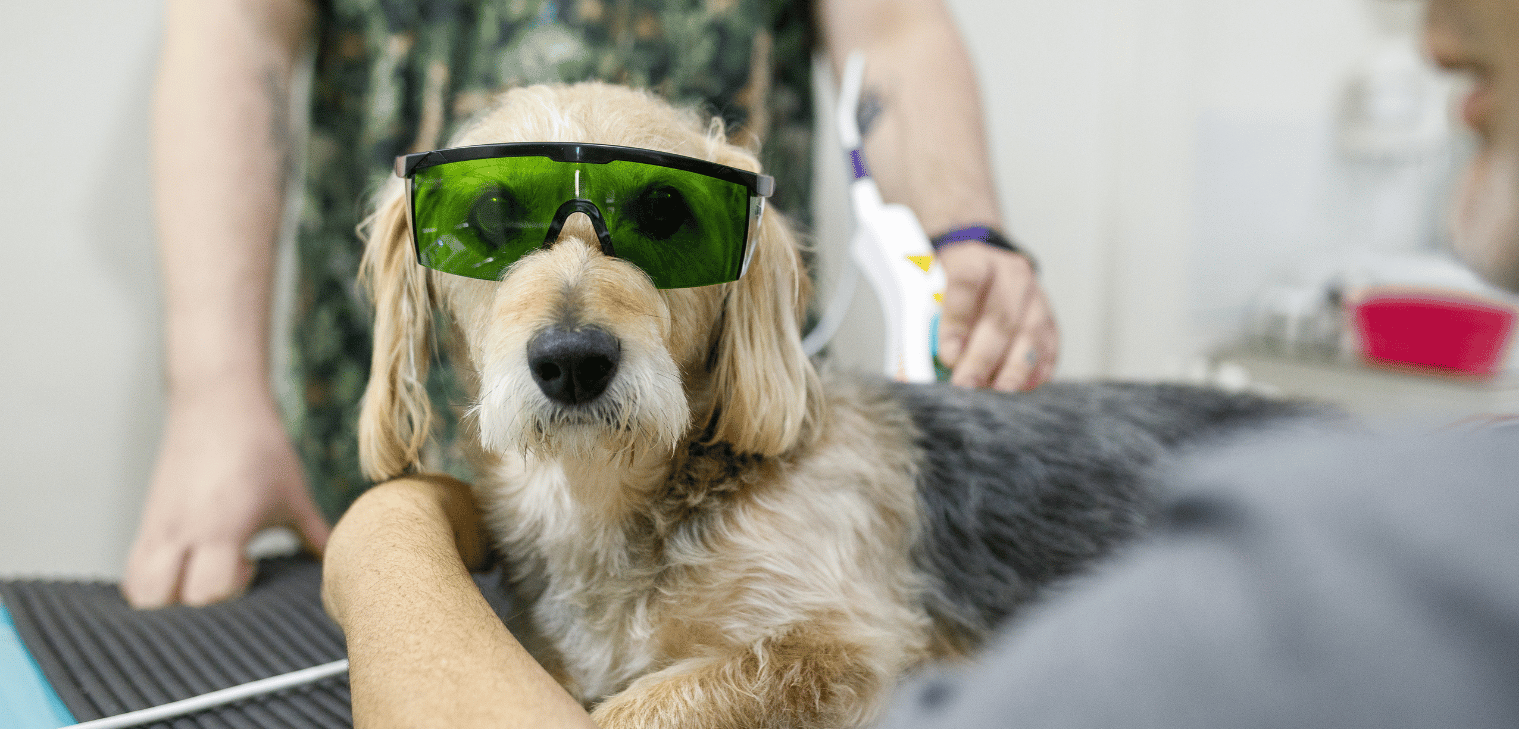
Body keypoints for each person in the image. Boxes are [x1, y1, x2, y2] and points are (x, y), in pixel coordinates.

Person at [319, 0, 1519, 729]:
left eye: (663, 225)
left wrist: (403, 560)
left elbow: (837, 669)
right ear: (422, 294)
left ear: (738, 298)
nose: (575, 314)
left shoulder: (814, 479)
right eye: (493, 225)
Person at [123, 0, 1058, 609]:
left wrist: (965, 233)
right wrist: (214, 390)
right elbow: (232, 23)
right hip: (414, 419)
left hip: (706, 429)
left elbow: (891, 29)